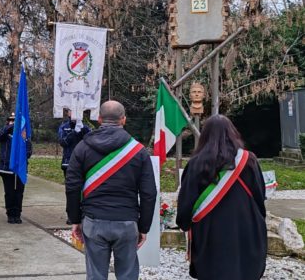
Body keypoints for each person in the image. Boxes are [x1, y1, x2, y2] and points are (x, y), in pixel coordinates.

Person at [65, 101, 157, 280]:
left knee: (96, 276)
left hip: (93, 220)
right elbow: (148, 193)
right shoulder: (139, 151)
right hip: (127, 221)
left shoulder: (82, 148)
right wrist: (144, 227)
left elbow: (72, 186)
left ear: (99, 119)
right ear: (124, 120)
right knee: (128, 275)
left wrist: (74, 219)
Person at [176, 115, 267, 280]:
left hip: (210, 232)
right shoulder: (250, 160)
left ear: (205, 136)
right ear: (233, 133)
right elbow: (260, 197)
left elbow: (186, 201)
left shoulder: (196, 163)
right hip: (245, 228)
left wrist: (183, 222)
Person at [0, 113, 32, 224]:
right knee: (10, 192)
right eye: (11, 121)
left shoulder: (24, 135)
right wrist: (13, 126)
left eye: (15, 121)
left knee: (19, 193)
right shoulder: (5, 134)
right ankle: (10, 214)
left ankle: (17, 213)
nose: (13, 123)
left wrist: (24, 140)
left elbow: (29, 152)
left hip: (20, 168)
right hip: (6, 168)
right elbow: (0, 135)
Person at [58, 110, 90, 178]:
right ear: (68, 113)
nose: (74, 112)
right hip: (68, 162)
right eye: (71, 110)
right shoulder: (64, 127)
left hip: (82, 162)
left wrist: (83, 130)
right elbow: (63, 142)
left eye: (77, 110)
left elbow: (91, 142)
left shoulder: (85, 128)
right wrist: (74, 132)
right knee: (70, 186)